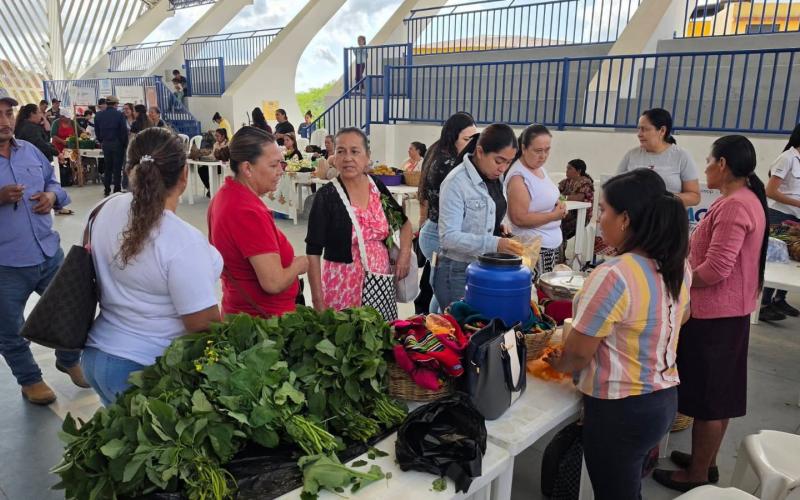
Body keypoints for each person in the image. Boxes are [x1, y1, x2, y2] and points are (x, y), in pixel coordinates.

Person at [546, 168, 691, 500]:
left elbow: (579, 354)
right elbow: (682, 315)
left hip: (621, 411)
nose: (599, 220)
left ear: (624, 218)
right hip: (663, 399)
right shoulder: (678, 265)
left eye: (604, 211)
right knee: (628, 484)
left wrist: (561, 363)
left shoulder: (614, 274)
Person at [651, 135, 768, 493]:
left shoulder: (735, 206)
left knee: (708, 399)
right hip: (728, 312)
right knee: (718, 396)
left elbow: (716, 268)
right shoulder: (743, 200)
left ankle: (697, 474)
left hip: (716, 315)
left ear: (723, 165)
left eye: (709, 161)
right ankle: (707, 461)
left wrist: (678, 280)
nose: (704, 168)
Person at [81, 127, 222, 406]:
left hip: (96, 355)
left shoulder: (104, 208)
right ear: (184, 175)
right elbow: (203, 326)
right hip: (142, 371)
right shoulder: (182, 241)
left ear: (128, 169)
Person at [0, 90, 85, 405]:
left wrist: (52, 197)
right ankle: (30, 380)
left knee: (74, 308)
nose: (5, 121)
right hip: (6, 264)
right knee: (9, 329)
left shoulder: (31, 152)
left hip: (48, 253)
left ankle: (69, 358)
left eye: (8, 114)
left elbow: (54, 184)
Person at [306, 127, 412, 313]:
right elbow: (313, 252)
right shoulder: (326, 196)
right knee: (346, 338)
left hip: (380, 282)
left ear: (367, 156)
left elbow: (404, 224)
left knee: (379, 337)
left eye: (355, 151)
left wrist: (403, 256)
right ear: (334, 158)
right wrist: (318, 301)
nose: (348, 158)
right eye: (341, 151)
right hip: (342, 287)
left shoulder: (375, 185)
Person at [209, 127, 308, 317]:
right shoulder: (247, 211)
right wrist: (298, 265)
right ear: (247, 168)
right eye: (273, 165)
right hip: (262, 324)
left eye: (281, 163)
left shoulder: (224, 195)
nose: (280, 171)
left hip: (239, 311)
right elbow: (273, 282)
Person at [435, 124, 523, 308]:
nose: (503, 168)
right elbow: (448, 237)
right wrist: (495, 243)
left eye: (508, 162)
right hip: (457, 271)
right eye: (499, 161)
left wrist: (500, 224)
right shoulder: (456, 182)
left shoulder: (495, 178)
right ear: (480, 152)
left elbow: (492, 209)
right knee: (462, 331)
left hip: (484, 267)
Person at [418, 112, 478, 312]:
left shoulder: (440, 152)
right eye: (466, 139)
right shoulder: (449, 164)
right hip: (439, 235)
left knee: (442, 291)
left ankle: (433, 328)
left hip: (434, 231)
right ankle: (437, 331)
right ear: (453, 137)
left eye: (474, 139)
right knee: (449, 293)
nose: (472, 145)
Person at [506, 124, 566, 277]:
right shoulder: (518, 177)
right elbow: (519, 218)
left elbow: (547, 195)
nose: (543, 156)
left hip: (551, 246)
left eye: (547, 150)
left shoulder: (539, 168)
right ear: (524, 148)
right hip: (535, 250)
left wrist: (559, 203)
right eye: (538, 151)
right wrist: (553, 216)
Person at [617, 108, 701, 207]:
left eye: (645, 129)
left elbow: (694, 197)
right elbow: (615, 188)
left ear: (662, 130)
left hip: (667, 219)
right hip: (636, 219)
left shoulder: (681, 156)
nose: (639, 134)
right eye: (639, 129)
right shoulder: (631, 155)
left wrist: (663, 198)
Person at [761, 123, 800, 320]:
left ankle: (779, 300)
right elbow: (770, 191)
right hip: (780, 216)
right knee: (777, 260)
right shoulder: (787, 158)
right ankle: (764, 304)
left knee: (792, 260)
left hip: (796, 218)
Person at [94, 95, 129, 196]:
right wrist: (124, 143)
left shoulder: (99, 115)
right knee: (117, 168)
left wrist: (102, 140)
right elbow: (123, 131)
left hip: (105, 143)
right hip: (117, 143)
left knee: (107, 167)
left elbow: (97, 131)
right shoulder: (119, 115)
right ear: (115, 104)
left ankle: (107, 189)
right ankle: (117, 189)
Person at [558, 159, 594, 243]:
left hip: (580, 216)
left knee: (560, 225)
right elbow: (556, 193)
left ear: (578, 171)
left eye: (570, 168)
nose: (566, 171)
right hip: (567, 213)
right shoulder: (566, 182)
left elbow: (579, 198)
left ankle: (561, 253)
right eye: (566, 168)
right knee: (553, 222)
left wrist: (562, 197)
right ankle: (559, 253)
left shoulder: (585, 182)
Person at [198, 129, 228, 197]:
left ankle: (213, 190)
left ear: (223, 136)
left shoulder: (227, 144)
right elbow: (212, 155)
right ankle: (210, 189)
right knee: (201, 170)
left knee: (210, 171)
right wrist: (204, 156)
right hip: (214, 165)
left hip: (223, 166)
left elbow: (227, 158)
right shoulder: (215, 144)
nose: (216, 138)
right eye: (215, 136)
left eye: (218, 136)